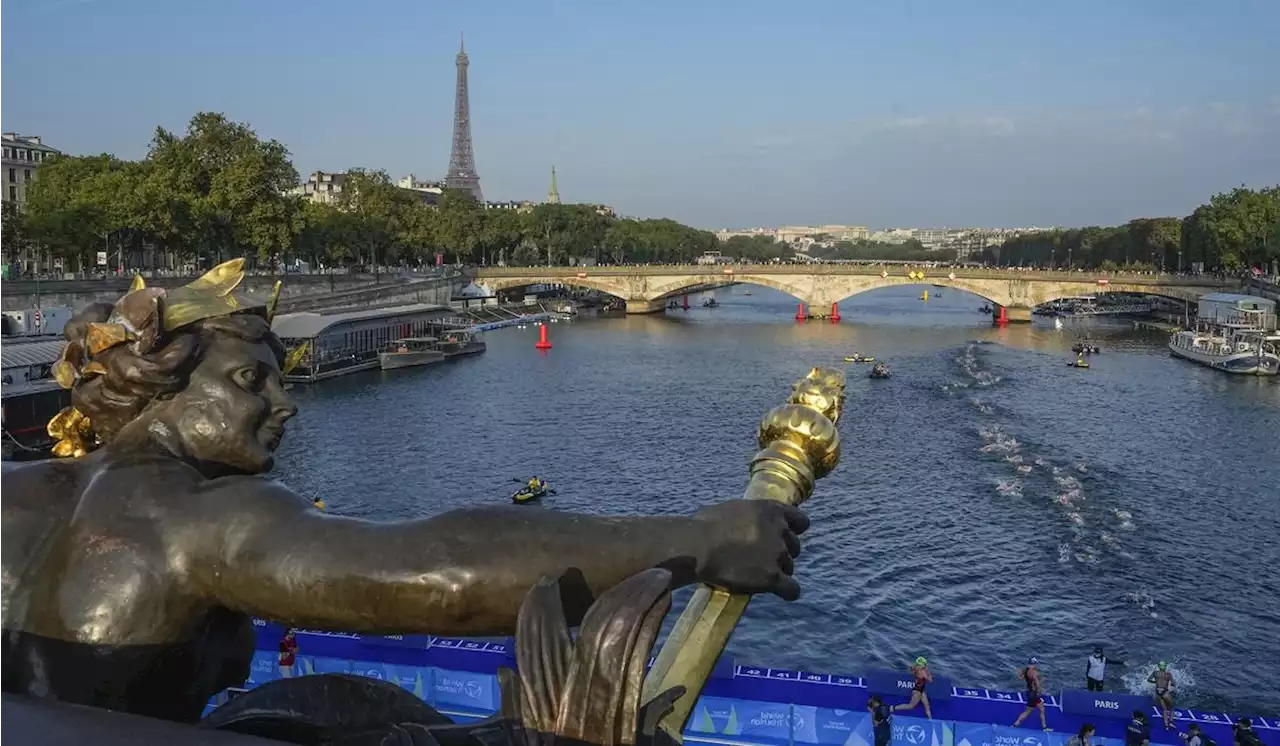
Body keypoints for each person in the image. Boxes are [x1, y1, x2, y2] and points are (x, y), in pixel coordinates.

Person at [0, 262, 812, 724]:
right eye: (252, 381)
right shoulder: (194, 516)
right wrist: (702, 540)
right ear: (161, 390)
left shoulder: (20, 492)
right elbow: (438, 572)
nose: (284, 405)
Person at [1013, 657, 1049, 730]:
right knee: (1028, 712)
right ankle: (1015, 724)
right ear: (1034, 664)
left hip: (1029, 693)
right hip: (1034, 694)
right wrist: (1042, 681)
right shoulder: (1034, 673)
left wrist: (1019, 672)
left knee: (1041, 709)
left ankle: (1044, 727)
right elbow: (1037, 685)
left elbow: (1021, 678)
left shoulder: (1025, 670)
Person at [1148, 661, 1176, 728]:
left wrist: (1155, 682)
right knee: (1171, 708)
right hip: (1165, 692)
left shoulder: (1155, 673)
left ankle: (1166, 725)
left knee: (1164, 709)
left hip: (1158, 693)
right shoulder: (1168, 674)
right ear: (1165, 667)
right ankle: (1171, 722)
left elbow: (1148, 679)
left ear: (1158, 666)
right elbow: (1174, 683)